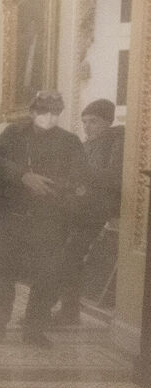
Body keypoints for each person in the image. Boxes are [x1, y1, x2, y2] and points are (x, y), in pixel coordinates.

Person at [0, 91, 88, 345]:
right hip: (11, 215)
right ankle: (1, 318)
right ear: (32, 112)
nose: (48, 117)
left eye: (54, 113)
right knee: (4, 271)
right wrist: (23, 176)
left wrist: (54, 186)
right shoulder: (13, 134)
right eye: (42, 112)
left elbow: (80, 178)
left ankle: (34, 327)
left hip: (48, 219)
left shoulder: (70, 141)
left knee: (47, 274)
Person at [53, 98, 125, 322]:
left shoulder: (117, 142)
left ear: (106, 121)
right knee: (60, 253)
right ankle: (63, 310)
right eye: (84, 121)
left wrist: (81, 173)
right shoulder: (88, 143)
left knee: (69, 256)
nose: (87, 126)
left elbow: (114, 179)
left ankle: (63, 311)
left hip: (98, 210)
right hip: (79, 207)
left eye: (93, 121)